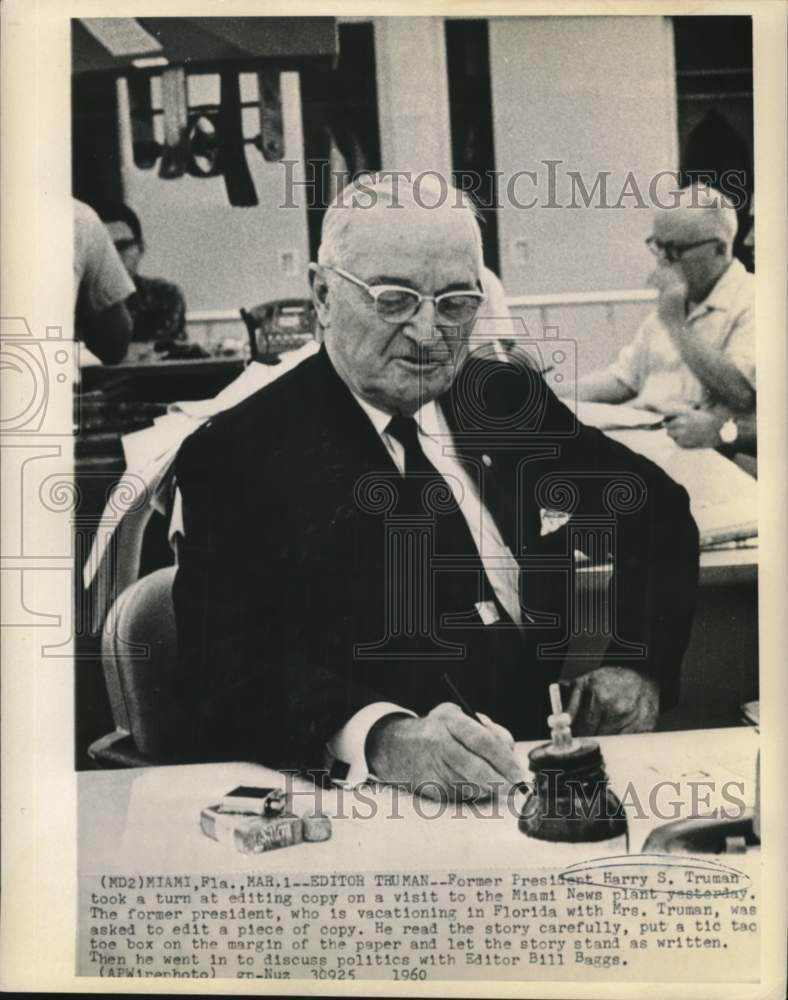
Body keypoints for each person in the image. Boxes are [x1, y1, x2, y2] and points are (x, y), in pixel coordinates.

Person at [173, 175, 699, 800]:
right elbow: (224, 675)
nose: (428, 334)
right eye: (394, 300)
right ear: (322, 295)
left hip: (528, 775)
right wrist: (382, 736)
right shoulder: (237, 454)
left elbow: (657, 509)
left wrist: (640, 663)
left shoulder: (503, 400)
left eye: (455, 303)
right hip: (366, 802)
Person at [575, 185, 755, 452]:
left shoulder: (752, 299)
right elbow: (625, 378)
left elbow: (741, 393)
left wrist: (676, 325)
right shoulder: (675, 299)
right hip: (646, 432)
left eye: (673, 249)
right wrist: (550, 394)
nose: (662, 261)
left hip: (701, 447)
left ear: (719, 249)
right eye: (657, 246)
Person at [97, 202, 187, 350]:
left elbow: (160, 353)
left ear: (141, 248)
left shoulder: (163, 296)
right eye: (104, 248)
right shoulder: (76, 302)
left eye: (123, 246)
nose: (114, 257)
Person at [73, 198, 134, 365]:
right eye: (113, 246)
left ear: (141, 247)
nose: (119, 254)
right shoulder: (78, 217)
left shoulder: (164, 293)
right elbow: (113, 343)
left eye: (123, 246)